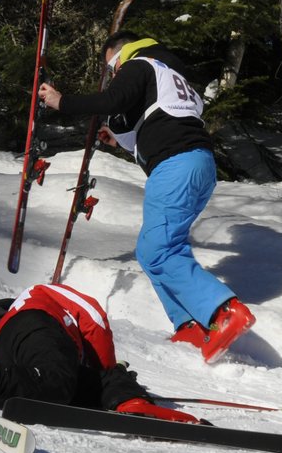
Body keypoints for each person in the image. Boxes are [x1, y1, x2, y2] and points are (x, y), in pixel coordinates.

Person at [38, 31, 254, 364]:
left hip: (176, 165)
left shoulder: (139, 63)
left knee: (158, 250)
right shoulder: (168, 72)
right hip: (195, 164)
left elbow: (111, 100)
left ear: (121, 54)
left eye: (112, 65)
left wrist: (61, 101)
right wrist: (121, 140)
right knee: (156, 249)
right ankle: (189, 324)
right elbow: (158, 121)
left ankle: (224, 312)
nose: (114, 73)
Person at [0, 282, 203, 423]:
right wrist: (107, 366)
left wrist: (111, 379)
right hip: (38, 327)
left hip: (13, 357)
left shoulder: (6, 330)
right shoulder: (41, 296)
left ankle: (132, 403)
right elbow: (94, 318)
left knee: (59, 387)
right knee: (59, 383)